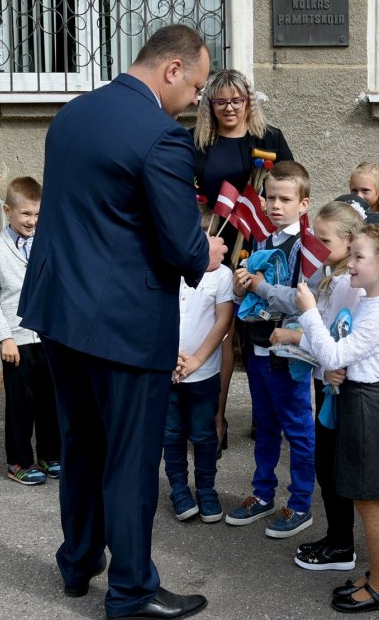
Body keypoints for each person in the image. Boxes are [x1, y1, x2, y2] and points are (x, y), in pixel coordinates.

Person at [18, 24, 225, 620]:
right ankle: (131, 592)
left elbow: (91, 216)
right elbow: (181, 244)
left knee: (81, 444)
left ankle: (78, 562)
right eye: (196, 87)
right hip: (124, 325)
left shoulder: (72, 114)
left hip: (59, 311)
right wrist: (207, 253)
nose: (196, 101)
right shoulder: (162, 137)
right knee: (130, 461)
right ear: (171, 69)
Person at [274, 224, 379, 613]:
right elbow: (341, 353)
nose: (351, 264)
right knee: (364, 497)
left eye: (359, 257)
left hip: (365, 407)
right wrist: (332, 366)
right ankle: (378, 575)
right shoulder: (368, 303)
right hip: (354, 401)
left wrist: (309, 313)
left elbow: (335, 353)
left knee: (369, 500)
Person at [192, 68, 294, 452]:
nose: (230, 108)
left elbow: (290, 187)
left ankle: (263, 414)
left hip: (259, 242)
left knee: (257, 328)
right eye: (221, 101)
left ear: (248, 101)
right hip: (214, 242)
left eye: (237, 100)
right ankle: (215, 419)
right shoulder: (197, 142)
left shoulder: (270, 139)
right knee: (221, 330)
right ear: (210, 105)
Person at [271, 201, 366, 571]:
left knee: (334, 468)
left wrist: (295, 336)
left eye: (325, 241)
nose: (317, 247)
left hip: (339, 387)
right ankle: (337, 537)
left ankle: (342, 545)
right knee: (326, 468)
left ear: (350, 240)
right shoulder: (332, 276)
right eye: (315, 238)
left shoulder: (348, 284)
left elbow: (337, 338)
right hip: (326, 382)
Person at [226, 161, 316, 539]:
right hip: (258, 348)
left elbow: (302, 301)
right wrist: (241, 287)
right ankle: (262, 493)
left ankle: (301, 503)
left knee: (298, 429)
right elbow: (246, 297)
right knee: (264, 426)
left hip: (288, 357)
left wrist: (260, 287)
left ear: (304, 204)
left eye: (285, 199)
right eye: (270, 197)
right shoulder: (263, 242)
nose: (275, 205)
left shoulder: (308, 248)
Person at [0, 176, 60, 486]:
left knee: (51, 401)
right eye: (25, 213)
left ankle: (51, 455)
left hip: (48, 337)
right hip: (18, 341)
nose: (32, 221)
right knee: (21, 404)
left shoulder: (47, 245)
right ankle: (19, 461)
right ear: (7, 211)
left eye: (38, 214)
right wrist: (5, 338)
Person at [163, 203, 234, 524]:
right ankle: (178, 489)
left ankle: (206, 489)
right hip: (168, 370)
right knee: (172, 434)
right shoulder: (170, 268)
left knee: (204, 435)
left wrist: (196, 361)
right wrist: (170, 356)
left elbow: (223, 321)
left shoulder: (222, 275)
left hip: (203, 372)